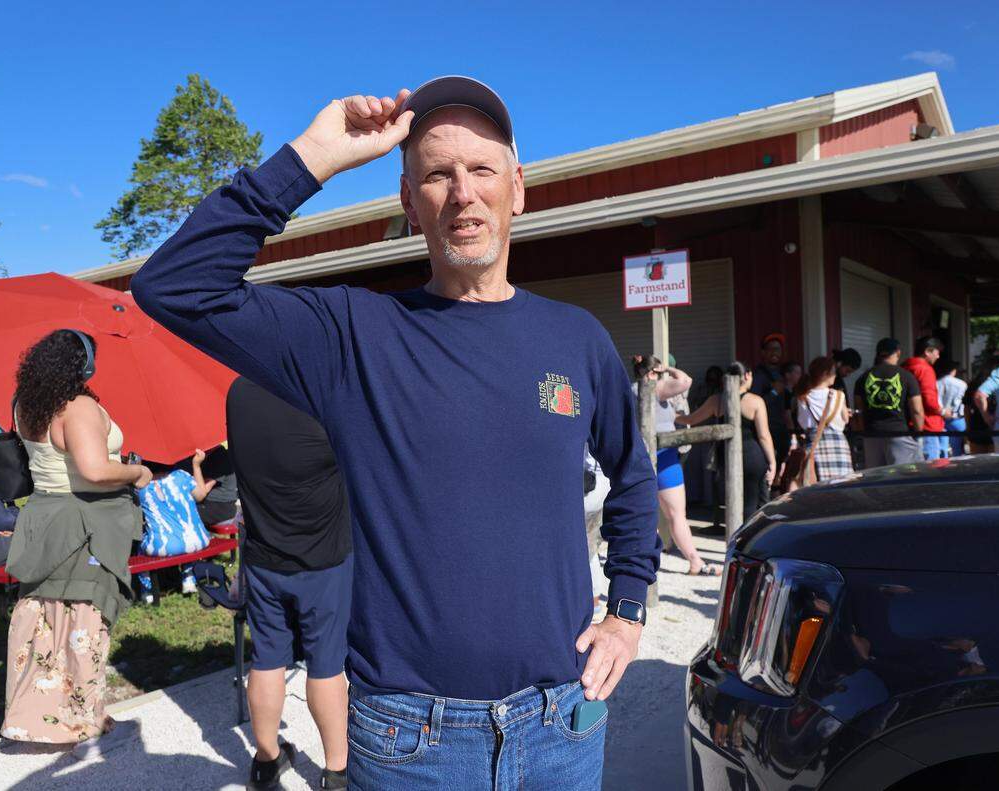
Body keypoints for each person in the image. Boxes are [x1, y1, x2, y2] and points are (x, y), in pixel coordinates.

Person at [131, 78, 659, 788]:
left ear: (519, 188)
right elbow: (175, 286)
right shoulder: (356, 335)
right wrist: (314, 155)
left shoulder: (577, 339)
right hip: (411, 742)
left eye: (482, 169)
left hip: (560, 724)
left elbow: (633, 474)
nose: (463, 192)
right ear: (411, 204)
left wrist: (627, 610)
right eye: (438, 174)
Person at [3, 329, 151, 758]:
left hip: (42, 515)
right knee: (83, 619)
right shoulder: (78, 407)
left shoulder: (26, 403)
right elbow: (94, 470)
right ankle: (76, 718)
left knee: (42, 619)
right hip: (82, 521)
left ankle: (32, 716)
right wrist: (136, 474)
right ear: (82, 366)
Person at [227, 377, 352, 790]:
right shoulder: (322, 395)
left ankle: (265, 759)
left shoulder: (239, 391)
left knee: (266, 659)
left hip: (264, 556)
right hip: (324, 559)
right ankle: (336, 769)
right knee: (326, 663)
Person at [631, 355, 716, 576]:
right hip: (664, 456)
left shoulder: (630, 390)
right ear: (652, 374)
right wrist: (667, 368)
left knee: (658, 514)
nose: (664, 377)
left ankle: (672, 560)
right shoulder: (653, 388)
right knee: (676, 514)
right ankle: (694, 560)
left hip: (649, 456)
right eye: (659, 374)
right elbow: (685, 380)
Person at [678, 362, 776, 517]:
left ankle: (737, 537)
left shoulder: (717, 400)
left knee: (734, 501)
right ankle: (751, 537)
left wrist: (674, 415)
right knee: (754, 502)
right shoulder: (755, 401)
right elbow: (764, 436)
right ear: (747, 375)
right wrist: (772, 461)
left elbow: (691, 419)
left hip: (726, 455)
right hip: (752, 455)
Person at [135, 449, 216, 604]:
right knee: (183, 532)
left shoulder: (140, 487)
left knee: (139, 547)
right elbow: (200, 495)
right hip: (198, 540)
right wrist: (196, 465)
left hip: (163, 546)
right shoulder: (181, 476)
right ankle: (188, 579)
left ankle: (148, 591)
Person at [853, 338, 925, 468]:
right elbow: (917, 410)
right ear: (898, 352)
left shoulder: (863, 378)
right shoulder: (907, 376)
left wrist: (864, 433)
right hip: (899, 434)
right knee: (902, 477)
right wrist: (918, 434)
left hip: (872, 435)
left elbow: (859, 411)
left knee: (875, 479)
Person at [795, 357, 853, 481]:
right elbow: (845, 420)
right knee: (842, 485)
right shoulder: (838, 395)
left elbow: (802, 422)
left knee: (815, 484)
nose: (835, 375)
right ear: (825, 374)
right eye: (833, 372)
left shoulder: (803, 396)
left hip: (813, 444)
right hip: (838, 445)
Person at [902, 336, 945, 460]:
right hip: (926, 425)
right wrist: (942, 411)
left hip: (907, 424)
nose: (938, 356)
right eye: (937, 352)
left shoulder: (904, 367)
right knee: (931, 468)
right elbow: (929, 399)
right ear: (927, 351)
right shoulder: (925, 369)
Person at [964, 354, 999, 455]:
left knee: (978, 462)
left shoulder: (975, 382)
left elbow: (966, 407)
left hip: (977, 425)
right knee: (996, 462)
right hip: (998, 425)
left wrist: (968, 426)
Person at [936, 359, 967, 457]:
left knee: (942, 449)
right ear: (953, 370)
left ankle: (943, 468)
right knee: (958, 449)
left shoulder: (936, 383)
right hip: (957, 418)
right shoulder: (962, 384)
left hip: (941, 417)